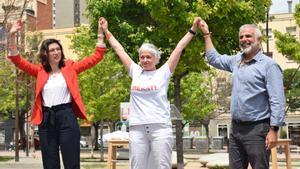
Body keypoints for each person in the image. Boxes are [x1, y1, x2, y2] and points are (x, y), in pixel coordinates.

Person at [99, 17, 200, 169]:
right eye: (142, 57)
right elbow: (119, 49)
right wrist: (106, 31)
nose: (145, 60)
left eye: (149, 57)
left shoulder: (164, 72)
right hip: (137, 128)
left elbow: (179, 48)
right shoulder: (135, 71)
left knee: (161, 166)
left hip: (160, 128)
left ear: (156, 59)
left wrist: (192, 30)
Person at [7, 18, 106, 169]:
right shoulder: (39, 71)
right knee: (50, 163)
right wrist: (12, 36)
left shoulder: (70, 67)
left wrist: (100, 33)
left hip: (66, 116)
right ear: (45, 54)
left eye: (58, 49)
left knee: (71, 162)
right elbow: (17, 60)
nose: (56, 52)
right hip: (46, 119)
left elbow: (95, 58)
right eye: (52, 50)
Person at [198, 19, 285, 169]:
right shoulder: (236, 61)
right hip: (236, 129)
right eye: (241, 37)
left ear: (259, 40)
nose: (244, 39)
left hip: (258, 130)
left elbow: (277, 100)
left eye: (248, 36)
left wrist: (274, 130)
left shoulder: (269, 66)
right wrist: (206, 34)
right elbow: (213, 58)